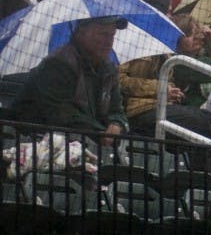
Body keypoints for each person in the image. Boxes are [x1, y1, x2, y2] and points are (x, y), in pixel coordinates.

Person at [13, 16, 129, 148]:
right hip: (35, 143)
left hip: (83, 144)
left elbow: (117, 110)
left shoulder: (108, 69)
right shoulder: (57, 64)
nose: (109, 42)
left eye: (112, 35)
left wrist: (116, 124)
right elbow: (62, 114)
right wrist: (100, 132)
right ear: (81, 33)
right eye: (102, 34)